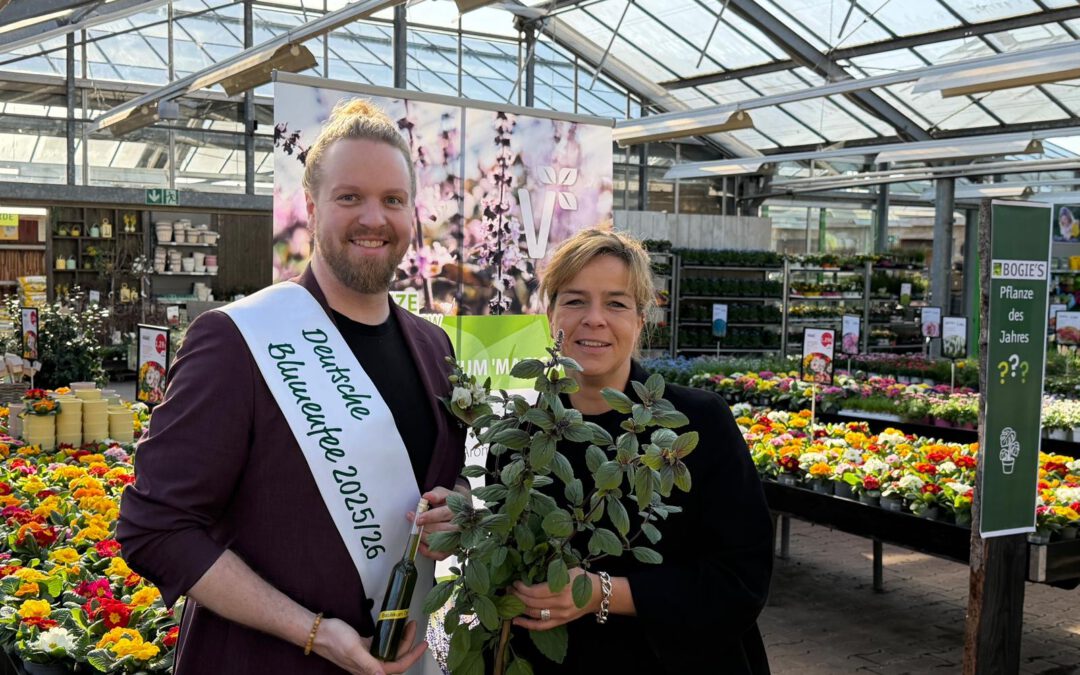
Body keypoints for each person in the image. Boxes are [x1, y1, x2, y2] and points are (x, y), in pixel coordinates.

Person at [117, 99, 466, 675]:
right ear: (310, 207)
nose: (374, 219)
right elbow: (156, 528)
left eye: (393, 200)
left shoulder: (435, 349)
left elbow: (442, 483)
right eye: (349, 197)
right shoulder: (239, 340)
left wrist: (458, 510)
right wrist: (313, 633)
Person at [502, 229, 773, 674]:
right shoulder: (522, 435)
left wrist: (601, 593)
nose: (594, 319)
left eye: (616, 303)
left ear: (641, 320)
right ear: (549, 315)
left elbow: (742, 580)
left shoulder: (696, 424)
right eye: (575, 300)